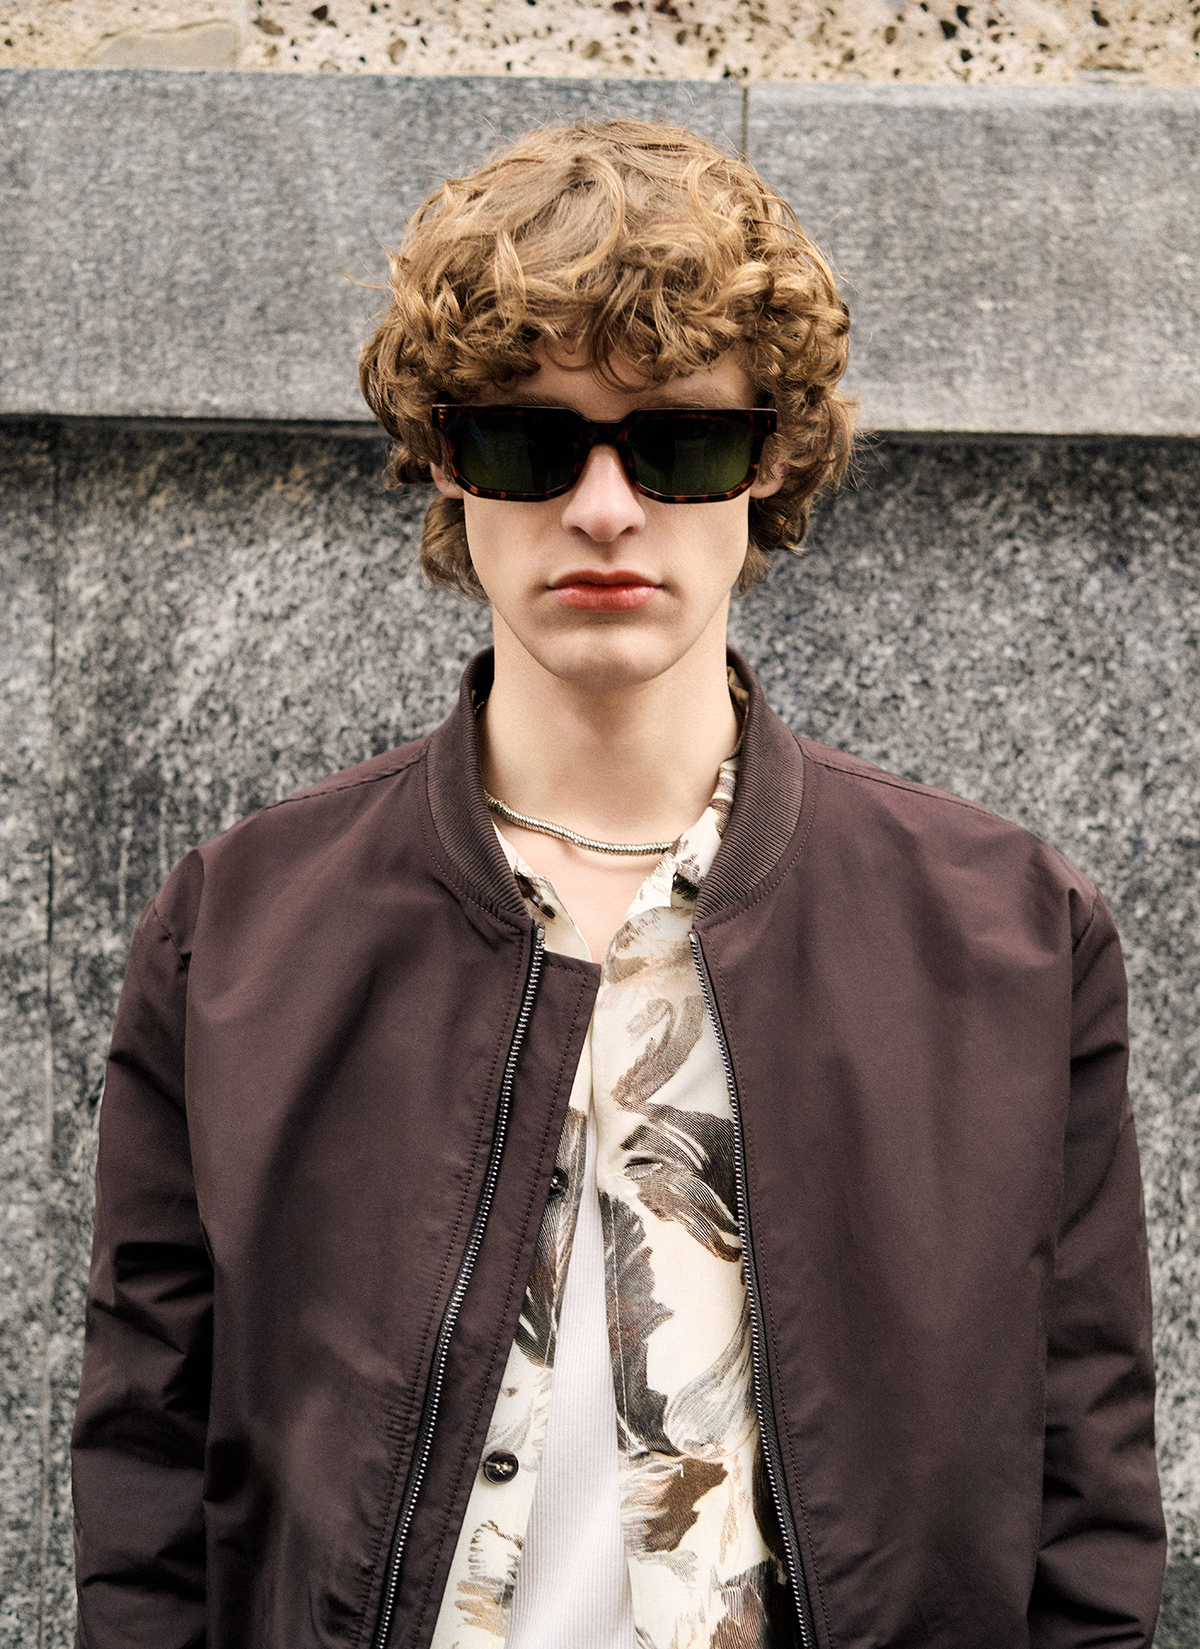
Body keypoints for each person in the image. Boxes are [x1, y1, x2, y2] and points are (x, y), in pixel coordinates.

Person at [71, 119, 1164, 1649]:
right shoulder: (240, 931)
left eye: (679, 441)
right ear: (448, 463)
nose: (603, 508)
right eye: (529, 439)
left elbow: (1084, 1486)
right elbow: (147, 1473)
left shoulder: (1011, 935)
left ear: (768, 460)